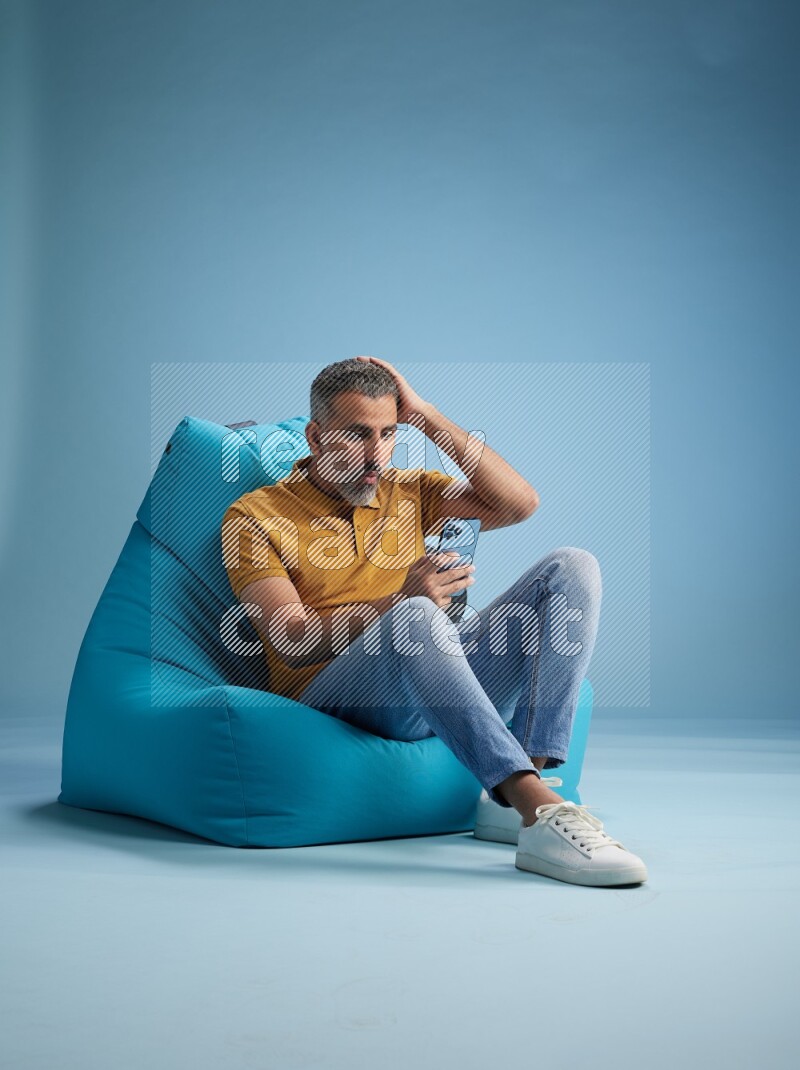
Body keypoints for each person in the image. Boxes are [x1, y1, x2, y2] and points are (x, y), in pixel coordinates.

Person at [221, 356, 647, 887]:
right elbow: (289, 639)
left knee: (572, 567)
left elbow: (519, 503)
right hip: (333, 698)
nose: (375, 454)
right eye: (356, 436)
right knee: (418, 615)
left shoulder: (408, 491)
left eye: (388, 434)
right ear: (315, 436)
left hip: (425, 674)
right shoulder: (253, 516)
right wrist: (394, 604)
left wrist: (424, 414)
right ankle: (539, 811)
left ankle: (523, 790)